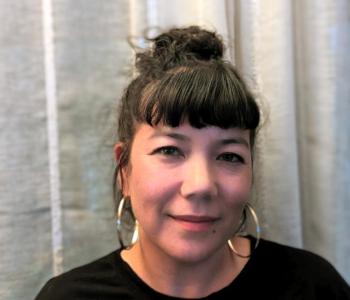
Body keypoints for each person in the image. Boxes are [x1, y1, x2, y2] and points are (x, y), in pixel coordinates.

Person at [35, 26, 350, 300]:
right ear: (125, 170)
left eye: (229, 156)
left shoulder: (314, 287)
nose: (201, 185)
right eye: (170, 151)